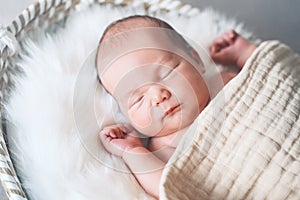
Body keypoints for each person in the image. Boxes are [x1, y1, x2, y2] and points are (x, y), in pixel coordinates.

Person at [96, 15, 257, 199]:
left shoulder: (224, 81)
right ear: (124, 115)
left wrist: (246, 54)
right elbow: (168, 186)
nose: (157, 97)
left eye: (167, 73)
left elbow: (274, 77)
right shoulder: (164, 146)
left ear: (196, 59)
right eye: (138, 99)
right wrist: (132, 151)